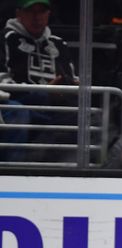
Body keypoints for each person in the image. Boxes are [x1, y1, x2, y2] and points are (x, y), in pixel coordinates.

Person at [0, 0, 77, 161]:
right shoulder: (5, 39)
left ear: (48, 15)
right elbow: (3, 85)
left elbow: (71, 79)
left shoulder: (58, 43)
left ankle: (71, 176)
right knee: (18, 111)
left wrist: (66, 90)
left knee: (89, 117)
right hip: (16, 103)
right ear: (19, 14)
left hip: (54, 107)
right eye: (31, 12)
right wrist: (42, 93)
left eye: (42, 12)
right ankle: (14, 174)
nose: (37, 17)